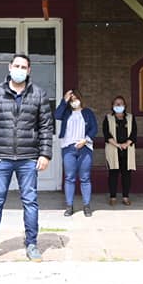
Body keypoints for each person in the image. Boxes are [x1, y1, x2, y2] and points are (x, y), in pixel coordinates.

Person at [0, 54, 54, 264]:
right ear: (10, 67)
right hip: (0, 158)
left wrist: (45, 154)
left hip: (28, 158)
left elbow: (46, 127)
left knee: (30, 201)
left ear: (29, 70)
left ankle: (32, 244)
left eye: (24, 66)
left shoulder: (39, 94)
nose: (20, 69)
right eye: (16, 65)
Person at [54, 89, 98, 217]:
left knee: (85, 177)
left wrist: (86, 140)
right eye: (71, 100)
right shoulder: (66, 112)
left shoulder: (88, 112)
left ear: (80, 98)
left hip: (85, 148)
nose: (74, 101)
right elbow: (56, 115)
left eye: (75, 98)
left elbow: (94, 128)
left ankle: (86, 206)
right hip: (68, 148)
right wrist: (64, 100)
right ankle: (69, 206)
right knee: (69, 177)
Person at [104, 95, 136, 206]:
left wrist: (126, 144)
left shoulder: (131, 118)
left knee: (126, 175)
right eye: (116, 103)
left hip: (127, 150)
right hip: (113, 149)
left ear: (125, 105)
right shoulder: (108, 118)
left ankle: (125, 197)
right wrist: (118, 145)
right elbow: (106, 134)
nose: (119, 105)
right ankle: (113, 197)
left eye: (121, 103)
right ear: (112, 106)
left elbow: (134, 134)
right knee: (113, 174)